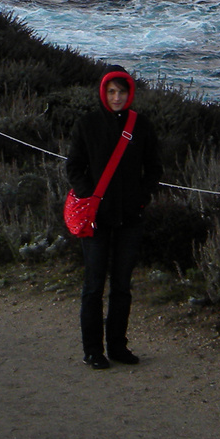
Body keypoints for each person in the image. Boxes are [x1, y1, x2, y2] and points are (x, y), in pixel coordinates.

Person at [66, 67, 161, 369]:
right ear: (103, 93)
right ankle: (93, 350)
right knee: (93, 286)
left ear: (130, 93)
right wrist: (90, 195)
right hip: (97, 219)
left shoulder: (141, 125)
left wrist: (141, 197)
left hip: (131, 218)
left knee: (122, 286)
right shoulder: (87, 124)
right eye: (111, 92)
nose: (117, 97)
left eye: (122, 91)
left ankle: (118, 346)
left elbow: (154, 168)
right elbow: (74, 167)